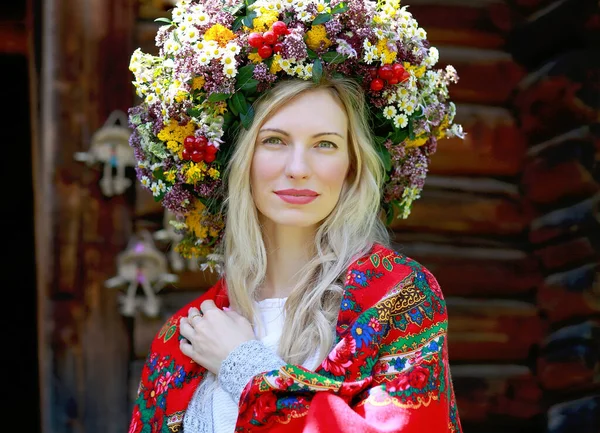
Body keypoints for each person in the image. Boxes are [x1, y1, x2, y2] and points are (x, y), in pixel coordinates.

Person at [126, 1, 465, 432]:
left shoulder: (398, 298)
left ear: (351, 166)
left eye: (324, 144)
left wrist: (244, 366)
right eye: (274, 140)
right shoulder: (184, 337)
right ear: (238, 162)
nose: (298, 167)